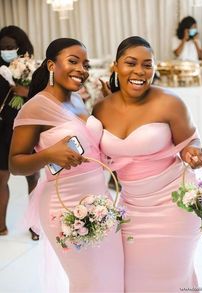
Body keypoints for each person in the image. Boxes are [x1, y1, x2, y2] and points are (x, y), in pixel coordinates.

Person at [93, 36, 202, 292]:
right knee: (133, 281)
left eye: (147, 64)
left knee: (169, 281)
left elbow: (192, 142)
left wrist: (194, 153)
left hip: (173, 208)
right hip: (131, 209)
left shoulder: (170, 102)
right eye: (131, 63)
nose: (139, 71)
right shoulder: (100, 109)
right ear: (116, 66)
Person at [9, 38, 124, 292]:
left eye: (86, 64)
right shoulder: (34, 107)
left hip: (99, 197)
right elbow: (16, 164)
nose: (81, 69)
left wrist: (112, 105)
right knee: (89, 282)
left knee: (113, 273)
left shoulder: (77, 100)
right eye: (73, 61)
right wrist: (49, 154)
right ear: (51, 65)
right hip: (65, 204)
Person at [0, 25, 40, 240]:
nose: (6, 50)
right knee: (0, 176)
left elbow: (43, 99)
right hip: (2, 128)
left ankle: (35, 225)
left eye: (10, 47)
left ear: (20, 47)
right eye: (2, 47)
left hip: (27, 127)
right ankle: (0, 225)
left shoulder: (33, 70)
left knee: (33, 176)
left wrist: (25, 92)